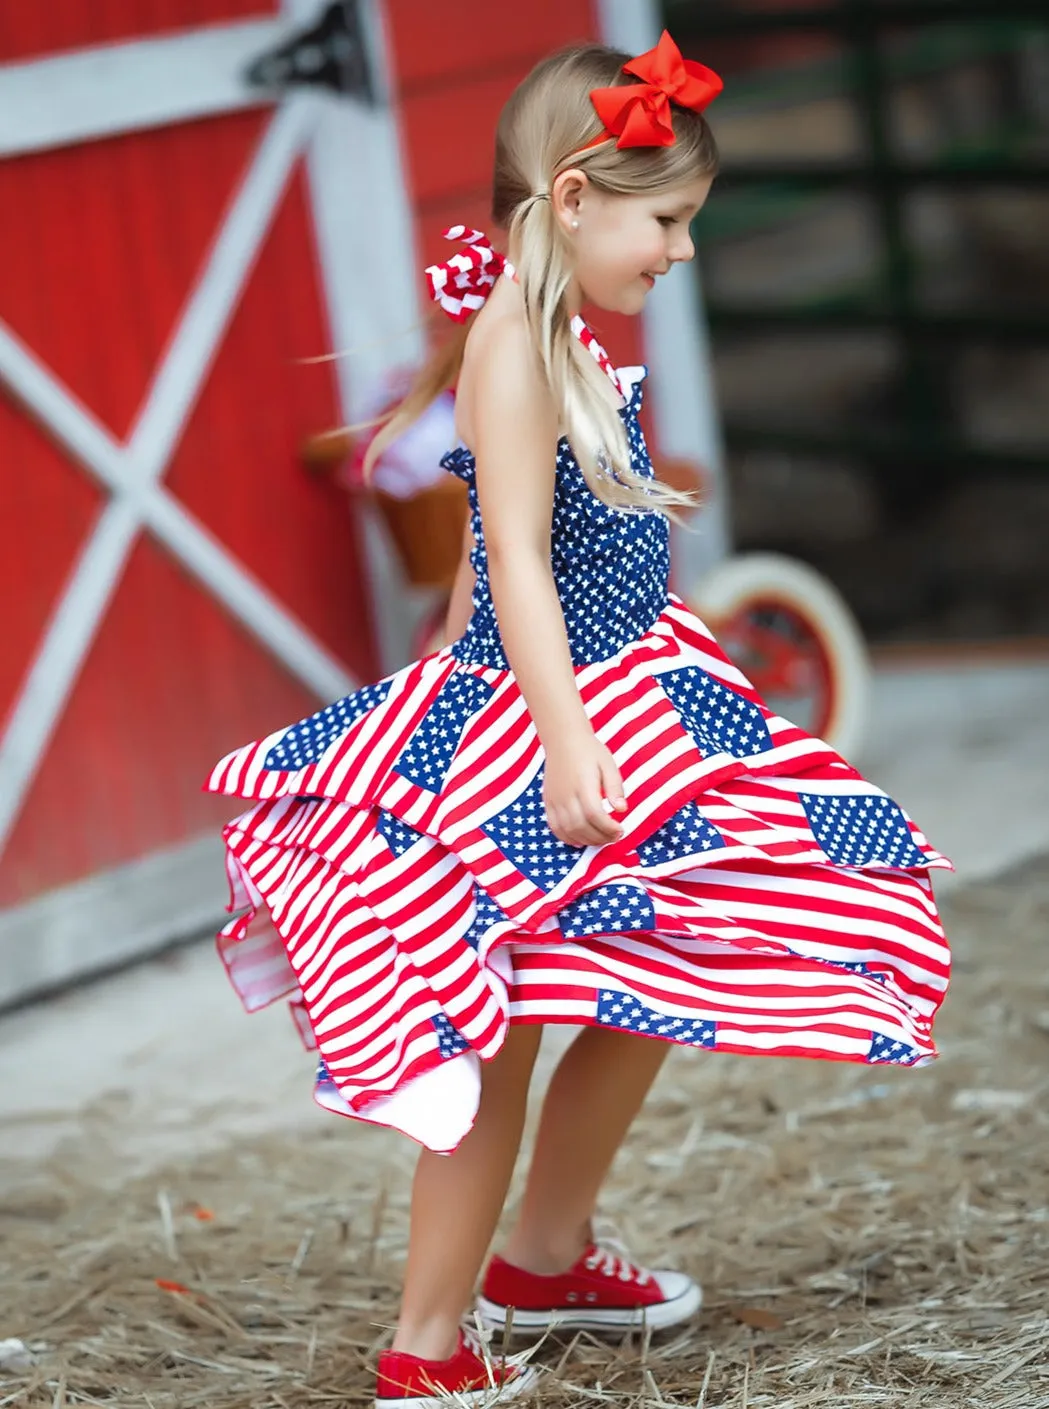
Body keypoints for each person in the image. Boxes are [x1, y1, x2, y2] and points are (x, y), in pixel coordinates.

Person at [205, 32, 952, 1408]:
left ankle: (542, 1257)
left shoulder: (550, 334)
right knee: (502, 1028)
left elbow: (519, 563)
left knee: (680, 950)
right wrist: (556, 738)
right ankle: (424, 1349)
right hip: (550, 718)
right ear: (573, 200)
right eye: (665, 222)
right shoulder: (513, 348)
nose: (678, 251)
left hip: (630, 685)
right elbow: (521, 567)